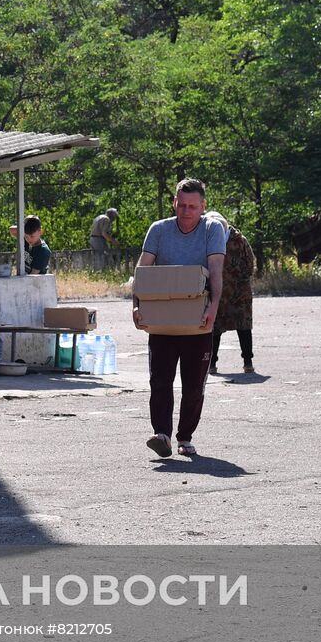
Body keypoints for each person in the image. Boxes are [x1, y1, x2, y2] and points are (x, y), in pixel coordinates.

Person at [132, 179, 225, 458]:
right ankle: (162, 434)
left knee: (194, 385)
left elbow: (216, 271)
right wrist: (136, 305)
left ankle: (185, 437)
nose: (186, 211)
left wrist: (214, 307)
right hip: (162, 320)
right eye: (181, 205)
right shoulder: (159, 230)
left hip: (197, 320)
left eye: (193, 206)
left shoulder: (212, 229)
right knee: (159, 381)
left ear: (203, 206)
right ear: (174, 202)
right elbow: (142, 270)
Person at [206, 211, 256, 374]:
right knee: (214, 328)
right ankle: (211, 364)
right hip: (217, 292)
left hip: (240, 293)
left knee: (244, 327)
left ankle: (248, 362)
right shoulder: (209, 240)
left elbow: (250, 263)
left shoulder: (239, 240)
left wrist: (239, 280)